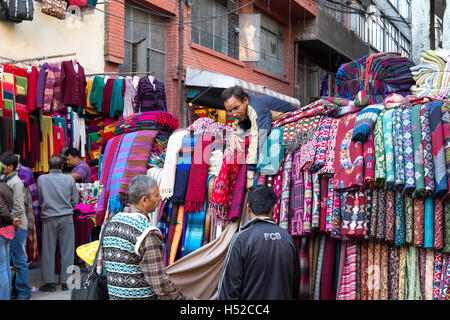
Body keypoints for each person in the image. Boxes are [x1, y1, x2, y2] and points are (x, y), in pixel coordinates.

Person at [102, 175, 191, 300]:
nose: (160, 198)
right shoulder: (146, 232)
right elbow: (159, 283)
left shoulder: (111, 223)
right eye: (156, 195)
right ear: (144, 200)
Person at [217, 185, 300, 300]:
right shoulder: (288, 239)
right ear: (273, 209)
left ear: (248, 208)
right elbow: (295, 289)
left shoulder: (241, 239)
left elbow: (228, 292)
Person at [221, 86, 298, 190]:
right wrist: (234, 135)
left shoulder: (257, 108)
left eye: (236, 108)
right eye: (230, 111)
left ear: (245, 100)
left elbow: (259, 137)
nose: (233, 114)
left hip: (292, 119)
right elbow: (240, 128)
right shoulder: (243, 112)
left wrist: (250, 175)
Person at [37, 155, 79, 292]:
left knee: (48, 251)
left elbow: (40, 199)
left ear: (49, 166)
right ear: (62, 166)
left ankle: (50, 283)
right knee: (67, 250)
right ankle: (67, 282)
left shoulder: (41, 179)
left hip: (48, 217)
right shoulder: (69, 179)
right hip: (66, 217)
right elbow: (75, 201)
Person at [0, 152, 32, 300]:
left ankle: (24, 292)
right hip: (11, 225)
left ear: (11, 167)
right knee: (10, 262)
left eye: (4, 165)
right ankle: (17, 289)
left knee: (19, 261)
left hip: (17, 227)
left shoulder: (16, 183)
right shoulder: (6, 180)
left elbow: (19, 207)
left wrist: (12, 220)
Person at [0, 162, 21, 300]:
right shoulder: (6, 186)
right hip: (7, 228)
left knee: (2, 268)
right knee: (5, 267)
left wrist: (10, 218)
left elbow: (2, 209)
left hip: (2, 227)